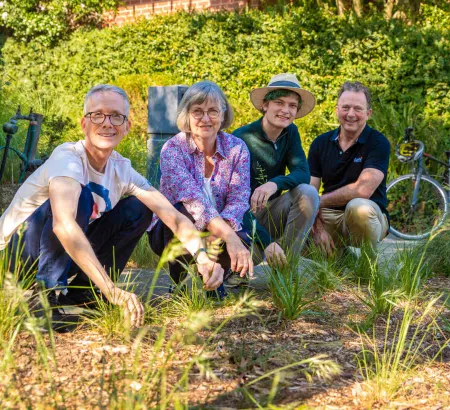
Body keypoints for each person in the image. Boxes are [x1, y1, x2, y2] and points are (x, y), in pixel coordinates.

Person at [0, 84, 221, 330]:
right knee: (80, 197)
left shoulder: (122, 169)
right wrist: (114, 290)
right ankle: (43, 297)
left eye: (116, 116)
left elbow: (174, 218)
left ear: (126, 127)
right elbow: (63, 225)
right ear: (84, 123)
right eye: (98, 115)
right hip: (14, 258)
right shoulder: (68, 158)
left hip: (53, 253)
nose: (107, 123)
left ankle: (86, 293)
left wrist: (203, 258)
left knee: (139, 209)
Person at [148, 81, 253, 296]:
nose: (205, 118)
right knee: (182, 209)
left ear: (223, 115)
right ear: (186, 115)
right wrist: (228, 236)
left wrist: (221, 234)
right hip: (175, 229)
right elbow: (193, 201)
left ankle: (215, 278)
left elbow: (239, 198)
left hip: (220, 227)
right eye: (197, 111)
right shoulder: (173, 149)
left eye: (213, 111)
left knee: (243, 238)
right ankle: (180, 278)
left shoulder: (237, 148)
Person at [229, 73, 320, 285]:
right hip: (240, 221)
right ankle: (238, 267)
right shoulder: (240, 138)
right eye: (279, 102)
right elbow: (232, 203)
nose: (285, 110)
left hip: (270, 212)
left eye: (292, 105)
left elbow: (302, 172)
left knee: (308, 193)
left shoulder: (290, 133)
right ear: (265, 105)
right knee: (246, 262)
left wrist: (274, 184)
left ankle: (285, 269)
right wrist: (268, 242)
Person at [308, 81, 390, 255]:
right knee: (297, 245)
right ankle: (342, 255)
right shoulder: (320, 143)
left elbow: (363, 190)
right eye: (345, 107)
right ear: (337, 110)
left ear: (368, 114)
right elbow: (309, 191)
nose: (351, 114)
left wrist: (318, 201)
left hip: (368, 216)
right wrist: (318, 228)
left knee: (358, 207)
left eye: (358, 109)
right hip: (329, 216)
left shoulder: (378, 142)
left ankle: (367, 262)